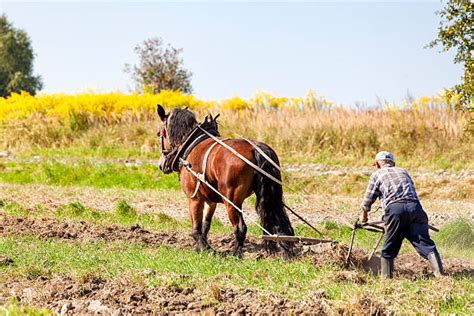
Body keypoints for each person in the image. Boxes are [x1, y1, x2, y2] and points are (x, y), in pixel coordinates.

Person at [360, 151, 443, 278]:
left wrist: (364, 215)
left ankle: (386, 280)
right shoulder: (403, 172)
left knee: (389, 246)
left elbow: (368, 198)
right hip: (416, 209)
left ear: (377, 164)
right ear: (393, 163)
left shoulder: (377, 174)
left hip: (395, 210)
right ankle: (440, 274)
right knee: (425, 243)